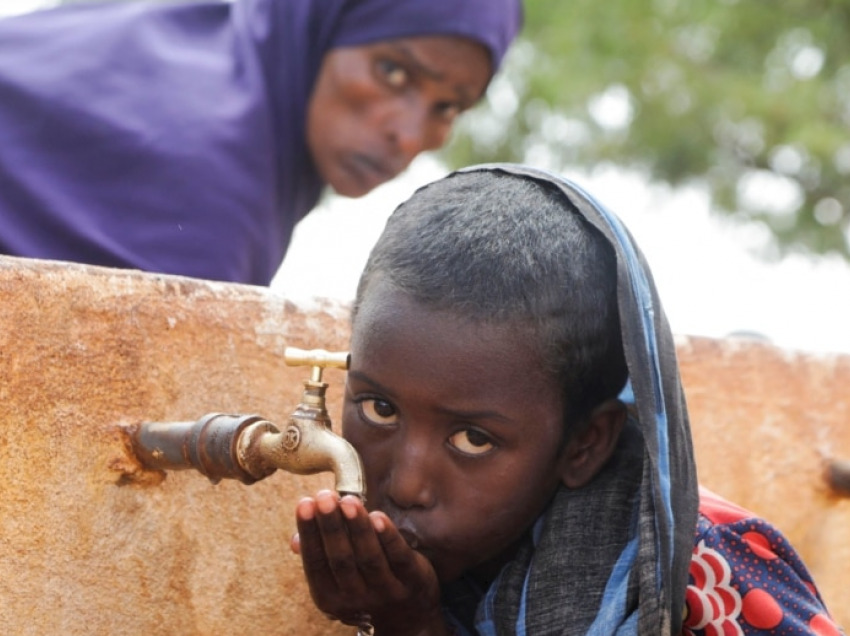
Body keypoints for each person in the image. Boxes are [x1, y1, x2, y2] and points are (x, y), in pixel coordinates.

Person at [290, 164, 845, 635]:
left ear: (584, 445)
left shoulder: (715, 577)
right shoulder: (451, 570)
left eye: (472, 439)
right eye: (379, 409)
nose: (406, 484)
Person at [0, 0, 521, 285]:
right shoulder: (213, 180)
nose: (406, 135)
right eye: (392, 71)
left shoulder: (197, 31)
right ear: (322, 22)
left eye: (447, 107)